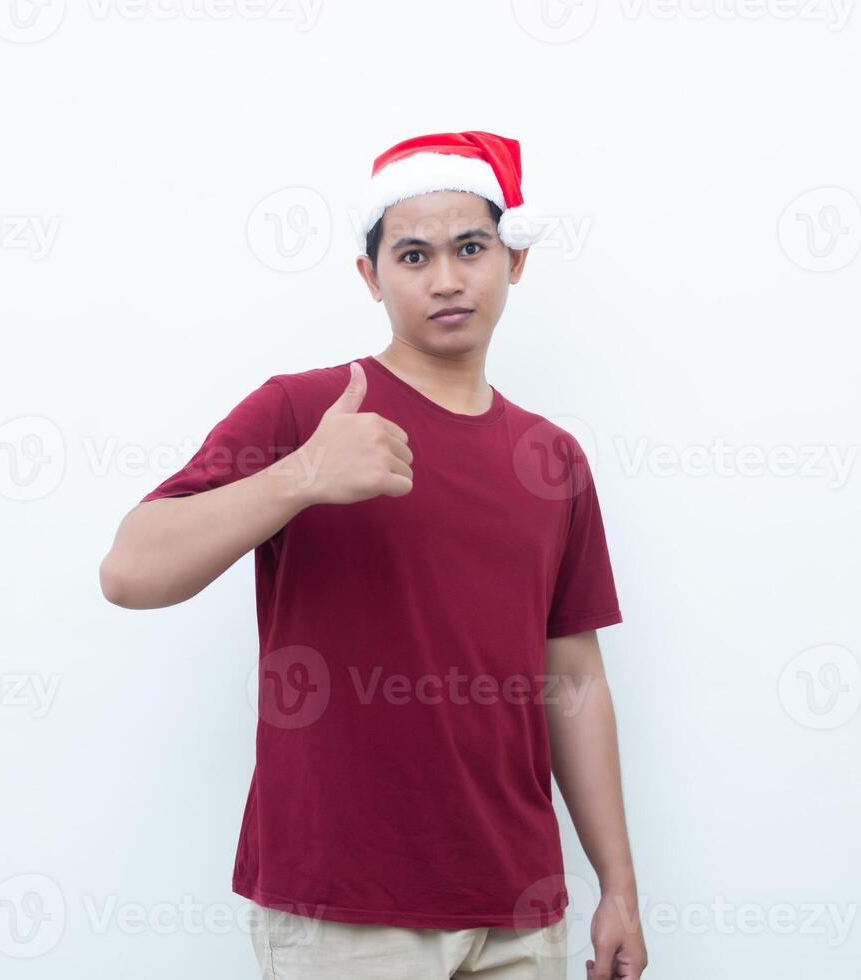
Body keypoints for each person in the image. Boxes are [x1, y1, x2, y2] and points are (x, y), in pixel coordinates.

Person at [99, 130, 647, 980]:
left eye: (471, 248)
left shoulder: (554, 459)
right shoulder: (306, 411)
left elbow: (572, 677)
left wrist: (617, 883)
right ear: (371, 276)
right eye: (413, 255)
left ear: (514, 261)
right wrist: (301, 476)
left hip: (519, 909)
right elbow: (129, 570)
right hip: (346, 913)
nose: (446, 279)